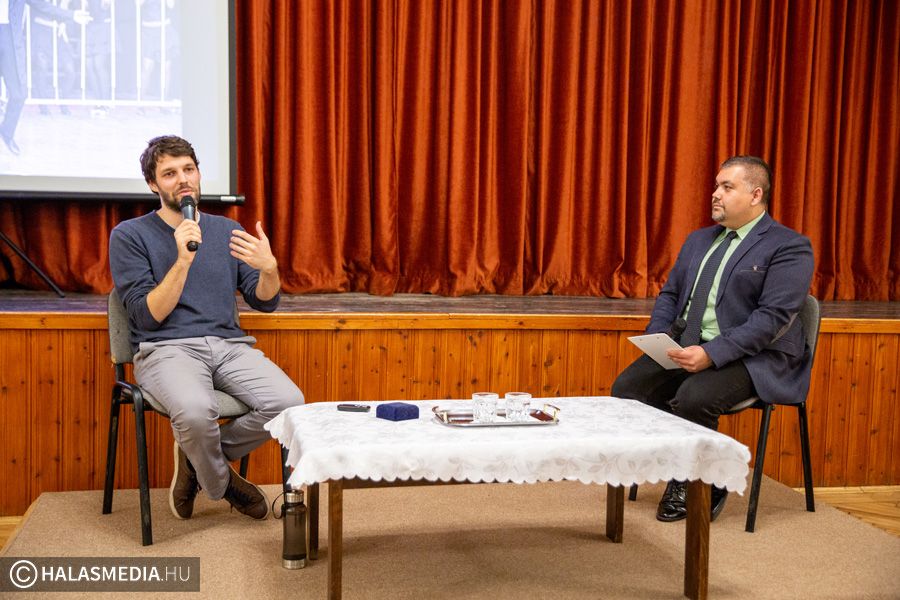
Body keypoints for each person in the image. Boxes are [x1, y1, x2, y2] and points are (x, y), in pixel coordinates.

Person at [109, 135, 304, 521]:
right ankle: (222, 482)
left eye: (189, 169)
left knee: (289, 404)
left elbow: (264, 300)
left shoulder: (226, 230)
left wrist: (270, 270)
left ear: (198, 174)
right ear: (153, 184)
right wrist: (182, 260)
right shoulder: (129, 235)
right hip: (165, 350)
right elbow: (146, 317)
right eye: (169, 173)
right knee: (197, 414)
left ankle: (196, 458)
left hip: (229, 346)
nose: (183, 179)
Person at [611, 155, 814, 523]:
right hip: (689, 343)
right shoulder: (699, 239)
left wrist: (711, 354)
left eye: (727, 187)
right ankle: (682, 462)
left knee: (694, 397)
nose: (715, 193)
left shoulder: (789, 246)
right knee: (627, 390)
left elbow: (771, 319)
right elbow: (671, 295)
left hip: (756, 355)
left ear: (755, 195)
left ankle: (705, 480)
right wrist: (659, 338)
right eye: (716, 185)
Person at [0, 0, 90, 154]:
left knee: (19, 93)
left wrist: (71, 15)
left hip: (9, 38)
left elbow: (43, 6)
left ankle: (7, 132)